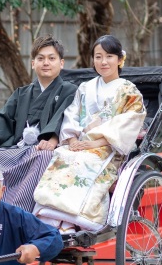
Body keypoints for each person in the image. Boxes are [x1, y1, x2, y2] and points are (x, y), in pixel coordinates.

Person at [33, 35, 146, 231]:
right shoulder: (85, 88)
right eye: (98, 57)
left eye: (109, 56)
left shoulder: (129, 91)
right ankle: (51, 218)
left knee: (83, 161)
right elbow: (72, 114)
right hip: (80, 144)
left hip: (108, 148)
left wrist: (96, 143)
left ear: (120, 59)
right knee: (60, 155)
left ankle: (71, 221)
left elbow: (130, 122)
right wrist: (72, 139)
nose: (103, 62)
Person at [0, 34, 77, 152]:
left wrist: (52, 141)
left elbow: (65, 121)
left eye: (51, 58)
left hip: (48, 150)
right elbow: (4, 119)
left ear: (61, 63)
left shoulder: (70, 91)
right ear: (33, 64)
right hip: (17, 147)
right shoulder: (21, 93)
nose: (46, 63)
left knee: (42, 157)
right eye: (40, 58)